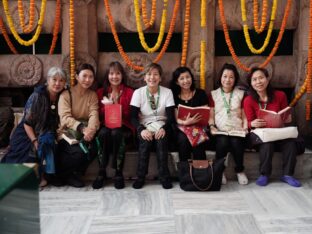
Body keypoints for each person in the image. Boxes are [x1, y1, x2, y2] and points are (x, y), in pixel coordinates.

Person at [1, 67, 67, 187]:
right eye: (54, 79)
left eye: (61, 80)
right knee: (30, 154)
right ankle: (38, 177)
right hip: (28, 133)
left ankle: (47, 174)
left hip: (47, 132)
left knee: (50, 142)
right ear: (48, 80)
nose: (58, 83)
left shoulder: (63, 96)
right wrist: (34, 141)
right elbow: (27, 123)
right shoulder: (38, 96)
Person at [243, 67, 301, 187]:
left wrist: (286, 118)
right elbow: (248, 122)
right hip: (260, 134)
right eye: (254, 79)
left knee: (290, 143)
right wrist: (252, 124)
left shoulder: (280, 95)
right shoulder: (248, 100)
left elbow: (285, 115)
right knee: (267, 144)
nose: (258, 82)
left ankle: (288, 175)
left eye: (261, 78)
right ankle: (264, 174)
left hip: (278, 132)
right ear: (251, 83)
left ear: (267, 79)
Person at [130, 63, 175, 189]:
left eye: (156, 74)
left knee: (161, 141)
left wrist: (164, 128)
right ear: (144, 77)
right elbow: (133, 117)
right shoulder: (138, 93)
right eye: (149, 74)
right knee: (145, 142)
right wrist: (141, 130)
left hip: (162, 125)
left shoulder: (167, 92)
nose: (152, 77)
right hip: (145, 125)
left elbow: (171, 117)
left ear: (160, 78)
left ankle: (164, 177)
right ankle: (140, 177)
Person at [92, 61, 134, 189]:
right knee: (104, 133)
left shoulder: (129, 92)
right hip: (105, 125)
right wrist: (107, 107)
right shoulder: (100, 92)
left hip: (124, 126)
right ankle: (101, 171)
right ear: (107, 76)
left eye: (118, 73)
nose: (114, 76)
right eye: (111, 73)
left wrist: (116, 106)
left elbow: (132, 114)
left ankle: (118, 172)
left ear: (122, 76)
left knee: (116, 133)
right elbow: (97, 113)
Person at [57, 63, 100, 188]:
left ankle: (75, 174)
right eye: (84, 76)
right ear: (76, 76)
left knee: (96, 148)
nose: (87, 80)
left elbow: (94, 114)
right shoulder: (66, 94)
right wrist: (82, 128)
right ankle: (65, 175)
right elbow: (65, 118)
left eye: (90, 77)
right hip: (67, 133)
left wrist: (91, 131)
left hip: (86, 132)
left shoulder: (92, 95)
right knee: (79, 153)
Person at [209, 63, 248, 185]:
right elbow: (211, 114)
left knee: (236, 142)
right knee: (222, 142)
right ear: (220, 77)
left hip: (237, 129)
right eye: (225, 76)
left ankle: (240, 171)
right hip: (220, 130)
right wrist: (211, 126)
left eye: (231, 77)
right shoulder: (213, 94)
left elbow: (244, 114)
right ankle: (220, 171)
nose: (227, 80)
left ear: (235, 79)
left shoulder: (241, 93)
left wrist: (245, 128)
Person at [170, 66, 209, 161]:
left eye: (188, 77)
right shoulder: (174, 96)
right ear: (177, 82)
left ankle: (200, 172)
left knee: (197, 137)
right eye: (181, 78)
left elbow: (206, 112)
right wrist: (186, 122)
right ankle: (185, 172)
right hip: (182, 128)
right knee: (183, 139)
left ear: (191, 78)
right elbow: (176, 118)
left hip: (199, 127)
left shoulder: (200, 93)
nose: (186, 81)